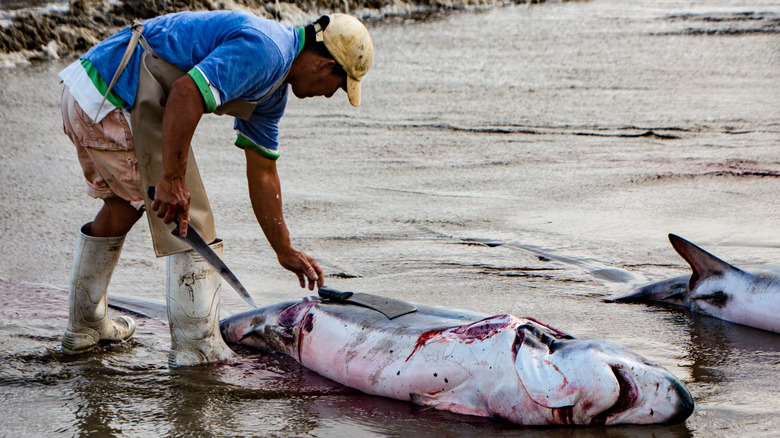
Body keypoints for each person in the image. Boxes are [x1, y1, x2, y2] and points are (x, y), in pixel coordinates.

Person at [58, 11, 373, 367]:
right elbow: (186, 92)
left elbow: (263, 170)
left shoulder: (273, 91)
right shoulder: (268, 50)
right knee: (187, 218)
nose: (331, 95)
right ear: (325, 65)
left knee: (123, 206)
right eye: (340, 85)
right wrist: (173, 178)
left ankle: (85, 326)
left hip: (87, 93)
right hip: (114, 95)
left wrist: (283, 248)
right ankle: (197, 348)